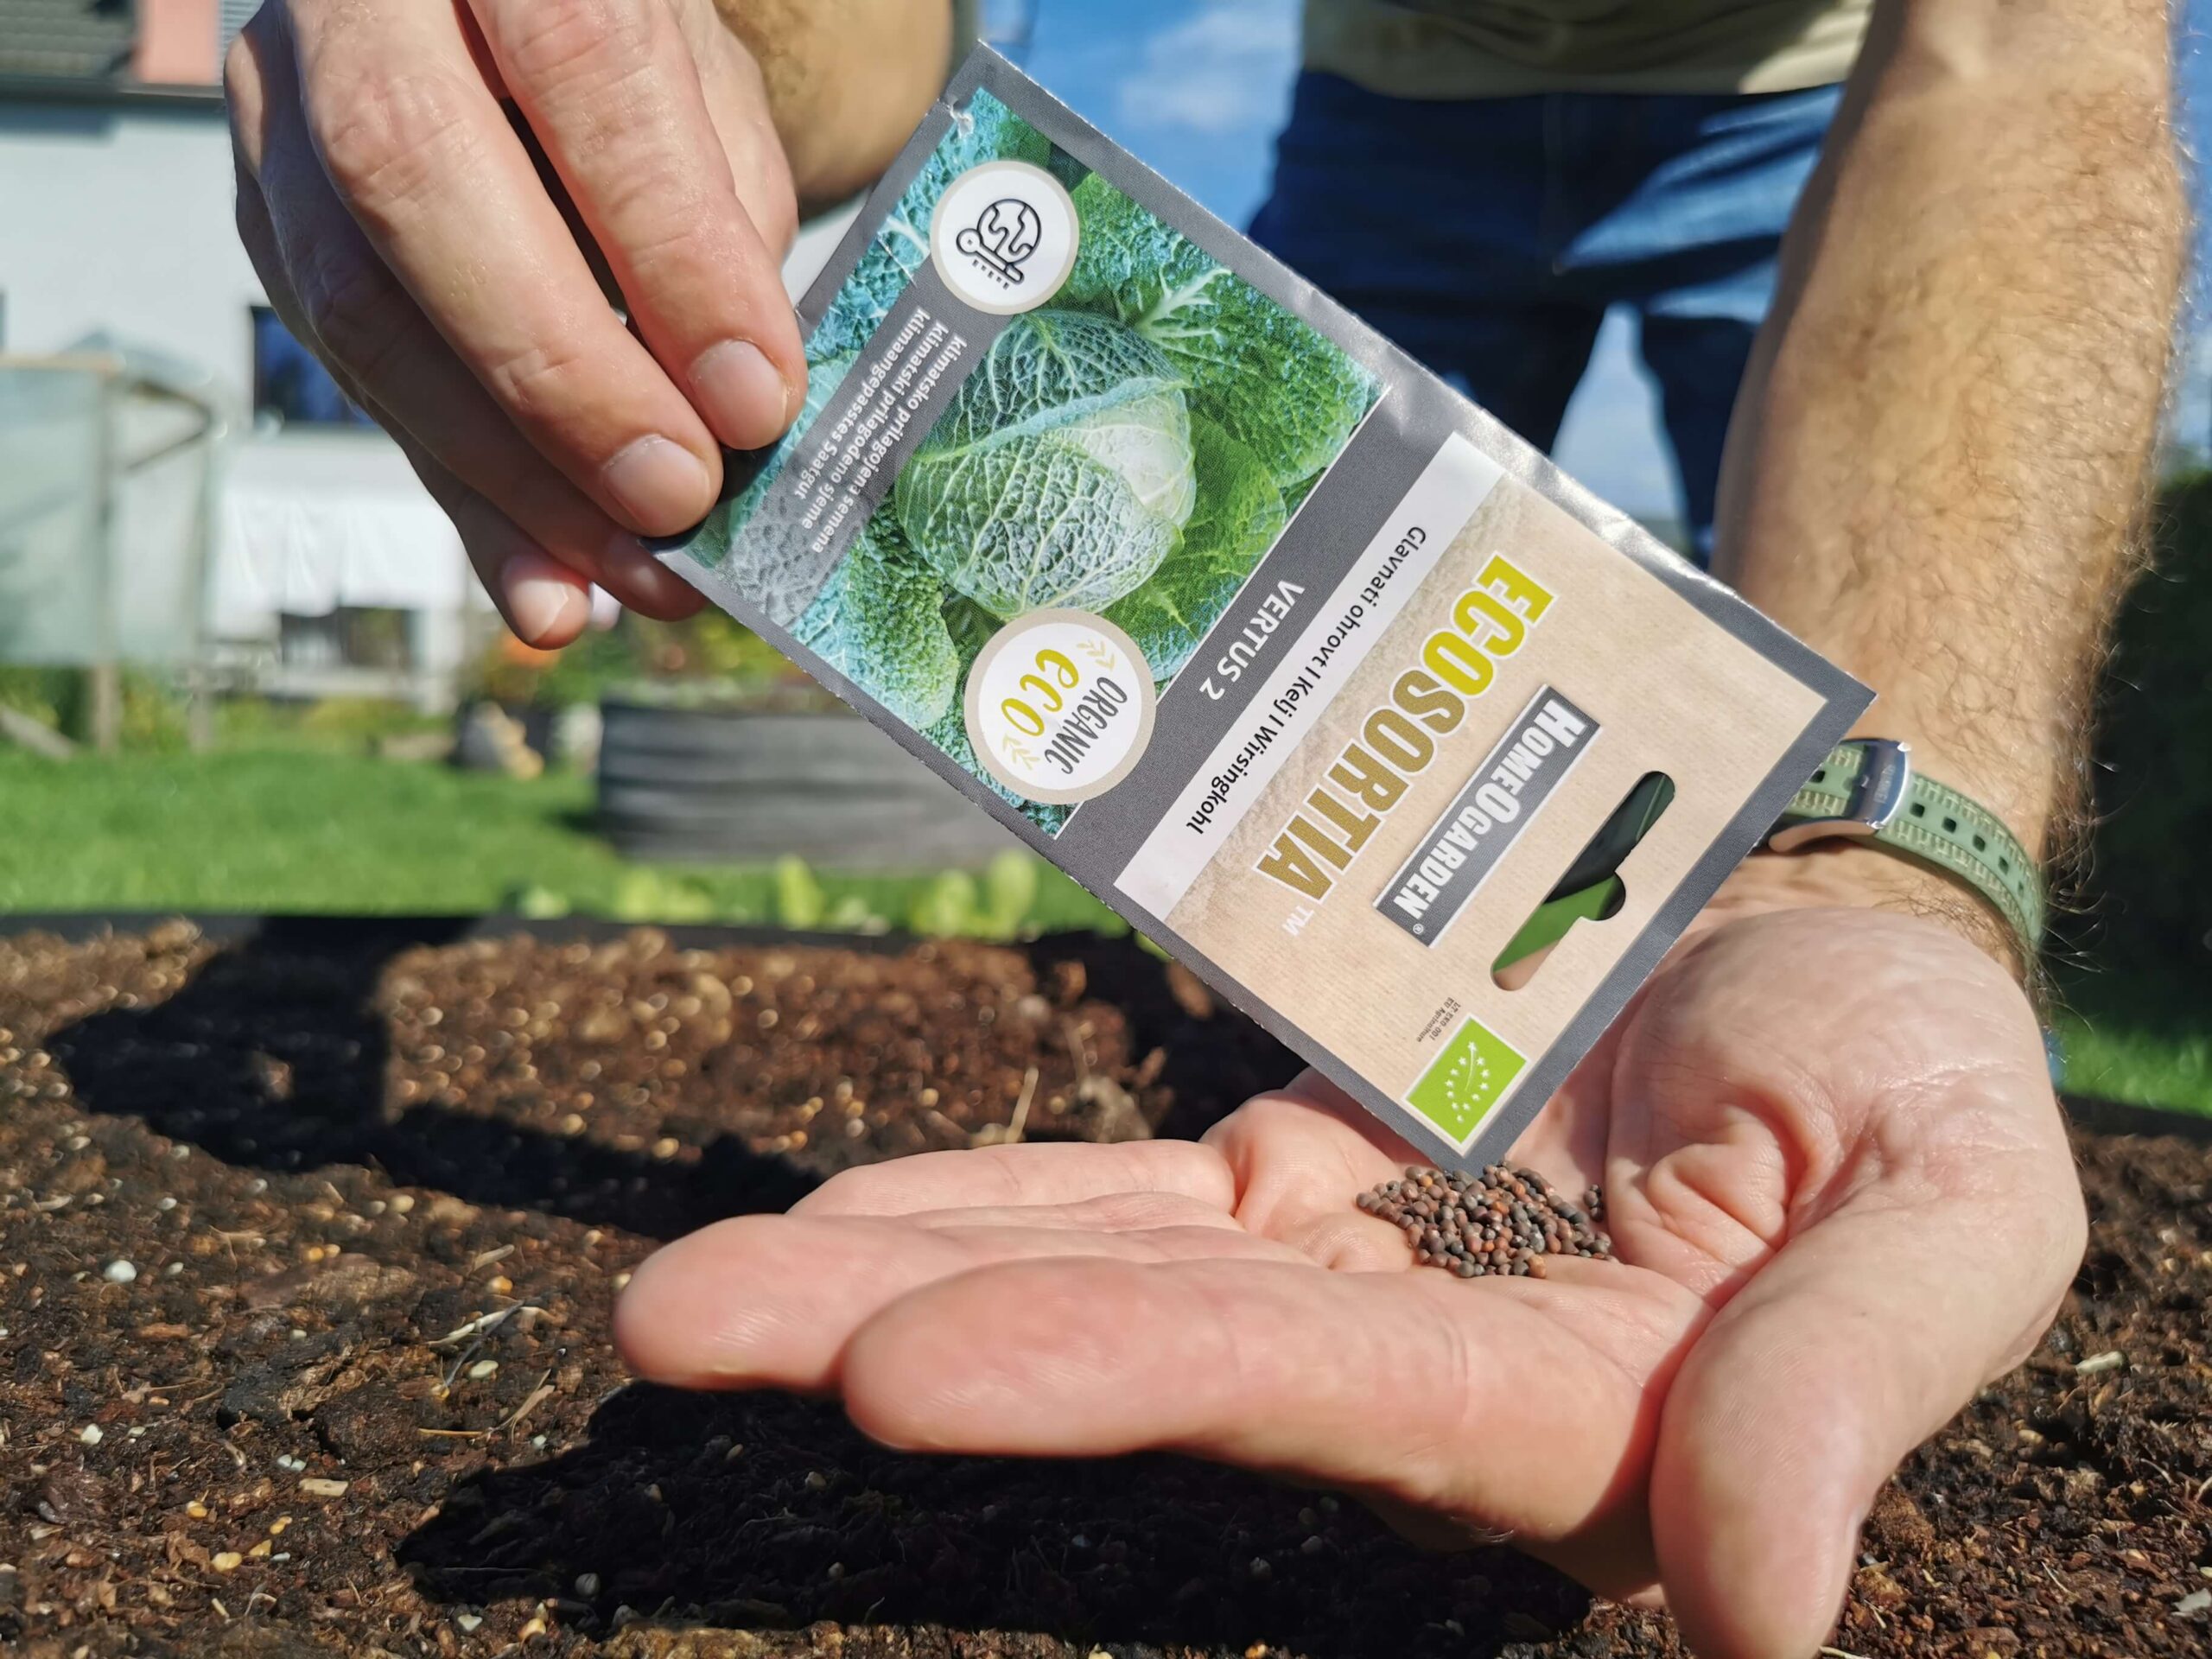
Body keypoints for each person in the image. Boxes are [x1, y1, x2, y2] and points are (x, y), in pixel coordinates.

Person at [225, 2, 2181, 1654]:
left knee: (1668, 707)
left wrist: (1875, 876)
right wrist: (641, 61)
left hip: (1827, 91)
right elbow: (878, 48)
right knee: (1285, 702)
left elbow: (2021, 43)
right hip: (1389, 100)